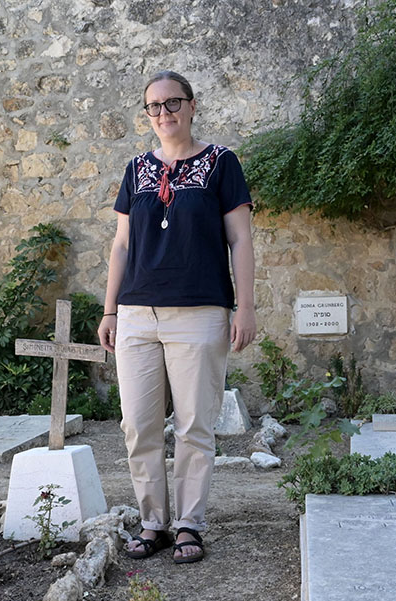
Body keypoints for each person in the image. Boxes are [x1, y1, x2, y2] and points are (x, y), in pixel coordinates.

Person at [97, 70, 256, 564]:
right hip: (137, 314)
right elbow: (122, 244)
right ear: (147, 114)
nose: (163, 114)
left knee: (193, 426)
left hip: (201, 311)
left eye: (172, 103)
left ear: (191, 105)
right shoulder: (135, 169)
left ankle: (188, 524)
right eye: (154, 106)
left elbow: (241, 239)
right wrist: (110, 309)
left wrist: (245, 305)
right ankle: (153, 523)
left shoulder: (220, 163)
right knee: (138, 425)